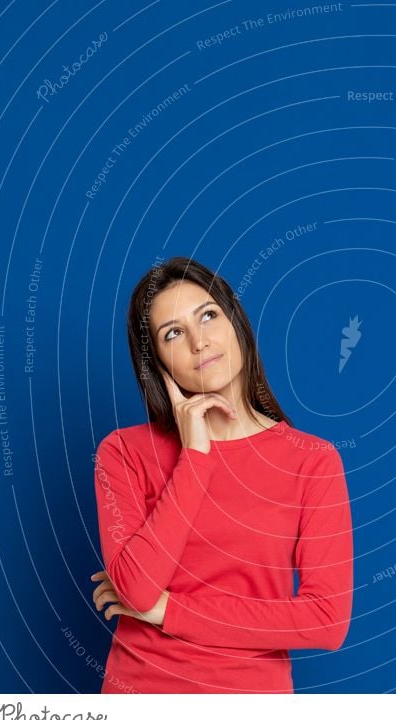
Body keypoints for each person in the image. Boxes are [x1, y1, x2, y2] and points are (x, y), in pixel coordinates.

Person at [90, 256, 353, 693]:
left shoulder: (312, 460)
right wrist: (195, 455)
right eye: (173, 333)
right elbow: (135, 591)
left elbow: (326, 620)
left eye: (208, 316)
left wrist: (166, 611)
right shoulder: (123, 452)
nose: (199, 342)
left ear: (235, 323)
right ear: (157, 362)